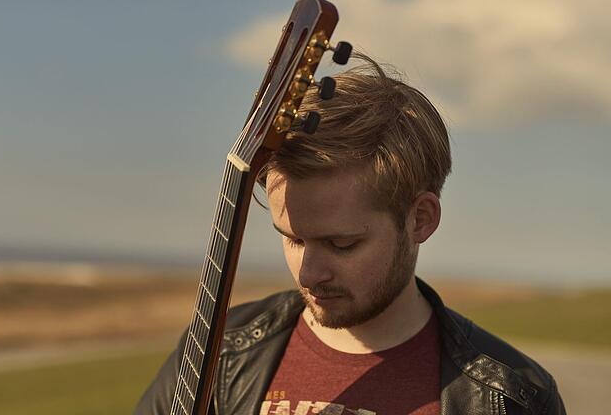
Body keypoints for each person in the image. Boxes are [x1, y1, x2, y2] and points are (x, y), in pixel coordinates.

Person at [135, 53, 566, 415]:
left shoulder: (511, 395)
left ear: (420, 220)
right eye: (293, 239)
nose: (308, 273)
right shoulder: (222, 348)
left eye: (341, 244)